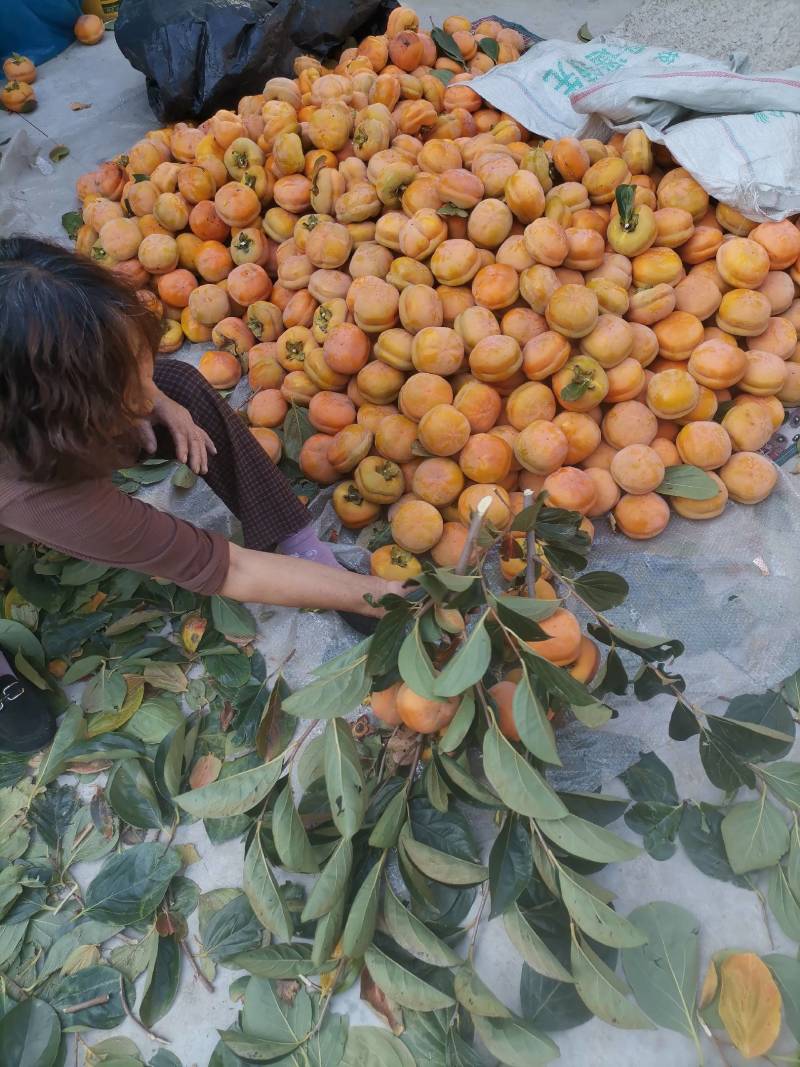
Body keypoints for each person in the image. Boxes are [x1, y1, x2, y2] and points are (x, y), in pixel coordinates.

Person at [0, 236, 403, 752]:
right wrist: (376, 595)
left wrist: (159, 397)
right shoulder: (41, 496)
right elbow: (230, 569)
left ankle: (300, 546)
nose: (145, 381)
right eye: (127, 380)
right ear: (64, 423)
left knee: (183, 384)